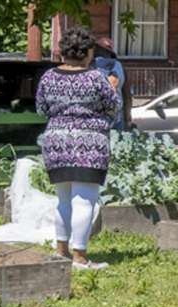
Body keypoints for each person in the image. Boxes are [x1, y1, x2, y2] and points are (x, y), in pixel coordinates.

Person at [35, 26, 120, 270]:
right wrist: (112, 88)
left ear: (63, 51)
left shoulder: (48, 77)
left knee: (63, 199)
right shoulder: (96, 78)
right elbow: (112, 108)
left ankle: (61, 251)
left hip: (56, 142)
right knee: (84, 201)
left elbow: (41, 109)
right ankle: (80, 257)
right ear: (88, 53)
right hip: (90, 143)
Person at [93, 37, 129, 130]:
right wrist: (128, 117)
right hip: (117, 115)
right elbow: (126, 94)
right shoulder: (118, 66)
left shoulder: (89, 66)